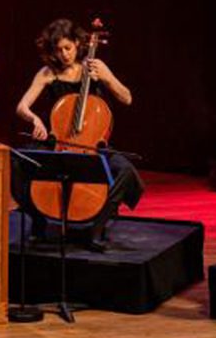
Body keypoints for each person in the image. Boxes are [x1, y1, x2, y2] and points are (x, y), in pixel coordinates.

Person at [12, 18, 144, 247]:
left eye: (68, 48)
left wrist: (107, 79)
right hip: (59, 141)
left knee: (126, 171)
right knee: (15, 163)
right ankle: (38, 220)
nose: (63, 54)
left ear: (77, 44)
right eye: (58, 50)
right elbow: (22, 107)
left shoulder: (95, 67)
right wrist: (36, 121)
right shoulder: (48, 73)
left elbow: (127, 97)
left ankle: (97, 226)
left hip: (92, 145)